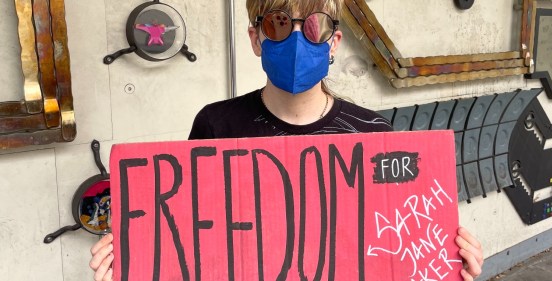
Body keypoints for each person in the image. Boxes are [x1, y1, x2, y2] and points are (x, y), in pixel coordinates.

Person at [90, 0, 484, 280]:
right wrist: (135, 261)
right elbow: (192, 247)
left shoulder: (373, 134)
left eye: (315, 27)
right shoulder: (215, 125)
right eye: (278, 23)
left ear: (333, 42)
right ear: (255, 38)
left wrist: (447, 262)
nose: (298, 40)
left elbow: (394, 251)